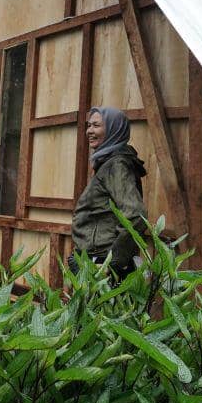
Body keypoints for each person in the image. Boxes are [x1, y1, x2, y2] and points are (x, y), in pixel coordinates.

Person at [70, 106, 150, 279]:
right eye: (89, 125)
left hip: (102, 263)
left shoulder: (116, 165)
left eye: (96, 125)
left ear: (114, 129)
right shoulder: (108, 163)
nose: (89, 131)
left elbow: (136, 215)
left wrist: (112, 262)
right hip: (94, 258)